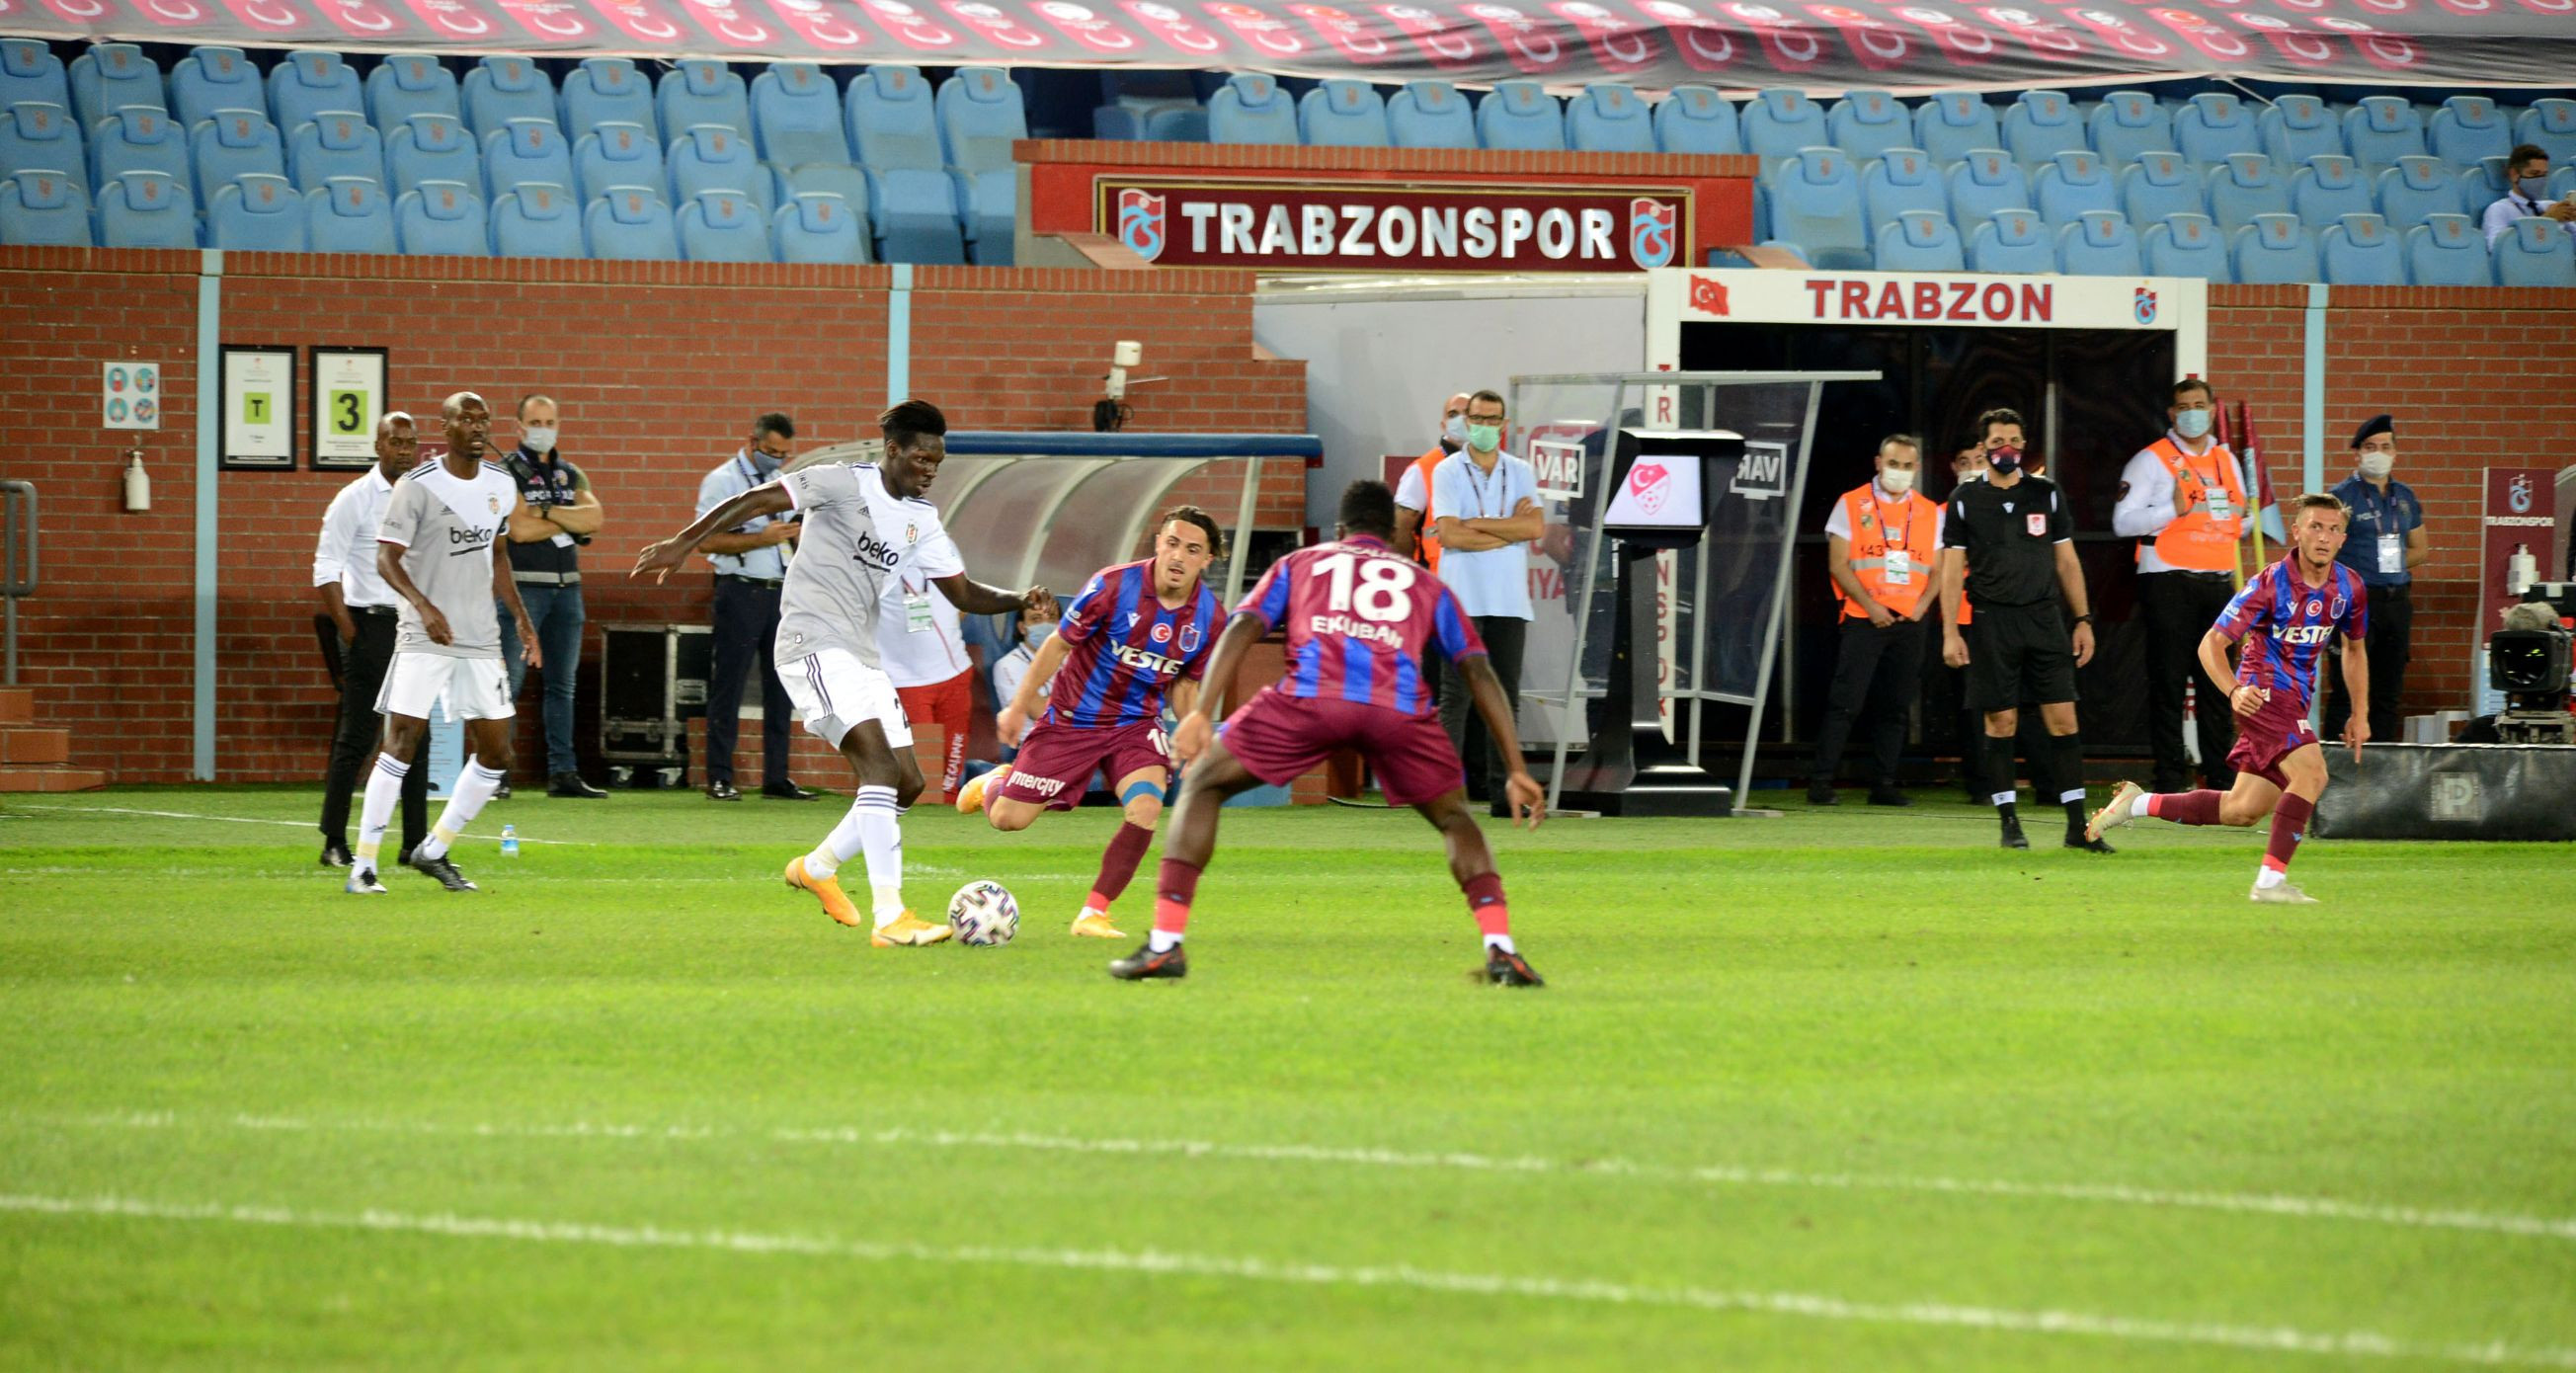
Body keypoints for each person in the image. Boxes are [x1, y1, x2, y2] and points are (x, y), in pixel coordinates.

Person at [635, 400, 1051, 947]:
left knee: (908, 782)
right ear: (893, 450)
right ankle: (890, 916)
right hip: (810, 643)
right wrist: (683, 543)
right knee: (877, 767)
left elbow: (964, 593)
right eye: (921, 458)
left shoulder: (922, 520)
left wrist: (1020, 598)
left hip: (863, 655)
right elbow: (754, 500)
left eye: (937, 462)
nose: (930, 469)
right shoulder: (841, 483)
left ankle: (817, 867)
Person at [1107, 480, 1546, 986]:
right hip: (1396, 710)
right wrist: (1515, 768)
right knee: (1454, 818)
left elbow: (1243, 627)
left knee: (1203, 783)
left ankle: (1166, 944)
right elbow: (1479, 671)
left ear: (1340, 529)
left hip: (1312, 699)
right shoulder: (1428, 585)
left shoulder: (1301, 563)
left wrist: (1201, 712)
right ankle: (1501, 949)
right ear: (1394, 534)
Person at [954, 507, 1223, 939]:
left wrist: (1191, 731)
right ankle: (994, 784)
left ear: (1206, 560)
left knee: (1146, 808)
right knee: (1008, 819)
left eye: (1192, 550)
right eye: (1172, 543)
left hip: (1136, 723)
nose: (1178, 556)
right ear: (1158, 543)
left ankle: (1093, 913)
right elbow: (1057, 645)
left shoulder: (1210, 617)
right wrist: (1019, 706)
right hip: (1073, 719)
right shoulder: (1113, 585)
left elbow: (1185, 684)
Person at [2090, 494, 2369, 903]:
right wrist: (2234, 690)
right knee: (2312, 774)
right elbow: (2211, 644)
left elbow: (2355, 650)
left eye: (2333, 529)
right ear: (2297, 532)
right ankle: (2270, 883)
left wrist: (2359, 713)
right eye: (2315, 527)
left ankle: (2137, 803)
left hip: (2296, 699)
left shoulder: (2350, 587)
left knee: (2242, 809)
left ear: (2343, 538)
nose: (2324, 537)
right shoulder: (2269, 584)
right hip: (2261, 694)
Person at [347, 392, 538, 895]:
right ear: (446, 427)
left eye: (483, 419)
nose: (477, 427)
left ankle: (432, 850)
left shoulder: (500, 484)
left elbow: (498, 555)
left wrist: (522, 619)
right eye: (466, 419)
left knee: (498, 752)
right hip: (423, 636)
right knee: (400, 742)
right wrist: (424, 606)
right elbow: (386, 559)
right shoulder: (418, 485)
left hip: (479, 638)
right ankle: (363, 867)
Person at [1939, 407, 2111, 852]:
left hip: (2044, 619)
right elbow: (1952, 570)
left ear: (2023, 444)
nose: (2007, 449)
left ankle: (2078, 828)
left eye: (2014, 441)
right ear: (1984, 447)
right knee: (2001, 721)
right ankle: (2009, 823)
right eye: (1998, 442)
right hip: (1992, 621)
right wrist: (1950, 631)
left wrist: (2083, 620)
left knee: (2063, 719)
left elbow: (2067, 562)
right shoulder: (1964, 498)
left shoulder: (2045, 493)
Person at [2113, 378, 2248, 794]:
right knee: (2169, 684)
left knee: (2218, 683)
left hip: (2219, 584)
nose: (2192, 413)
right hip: (2169, 582)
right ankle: (2171, 777)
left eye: (2199, 405)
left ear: (2212, 410)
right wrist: (2170, 510)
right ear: (2172, 414)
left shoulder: (2227, 460)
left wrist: (2235, 523)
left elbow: (2241, 517)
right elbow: (2122, 523)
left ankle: (2219, 775)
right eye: (2183, 406)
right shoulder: (2150, 461)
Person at [312, 412, 430, 869]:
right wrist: (350, 632)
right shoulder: (354, 498)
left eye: (410, 442)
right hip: (370, 625)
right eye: (395, 442)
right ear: (378, 446)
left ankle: (414, 844)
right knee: (358, 737)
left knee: (417, 735)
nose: (404, 450)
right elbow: (326, 568)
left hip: (412, 626)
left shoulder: (422, 497)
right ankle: (334, 841)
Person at [1809, 434, 1941, 806]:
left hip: (1910, 622)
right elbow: (1838, 564)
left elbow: (1939, 569)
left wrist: (1921, 607)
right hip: (1863, 618)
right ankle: (1821, 783)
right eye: (1893, 463)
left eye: (1907, 465)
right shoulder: (1851, 503)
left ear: (1917, 468)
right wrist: (1870, 606)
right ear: (1878, 463)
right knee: (1845, 702)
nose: (1900, 471)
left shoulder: (1931, 511)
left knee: (1895, 707)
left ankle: (1883, 785)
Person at [1431, 388, 1543, 815]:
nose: (1483, 426)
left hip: (1509, 601)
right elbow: (1449, 534)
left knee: (1505, 698)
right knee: (1456, 696)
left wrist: (1477, 524)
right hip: (1461, 598)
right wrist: (1507, 529)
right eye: (1477, 419)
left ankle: (1504, 794)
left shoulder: (1520, 470)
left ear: (1504, 425)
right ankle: (1443, 795)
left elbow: (1534, 529)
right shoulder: (1447, 471)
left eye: (1492, 419)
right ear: (1467, 422)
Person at [694, 413, 813, 803]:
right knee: (729, 685)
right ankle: (719, 776)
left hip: (781, 593)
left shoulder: (779, 481)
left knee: (782, 687)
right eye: (771, 451)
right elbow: (706, 541)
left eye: (783, 454)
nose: (776, 459)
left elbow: (788, 535)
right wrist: (762, 538)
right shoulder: (723, 481)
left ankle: (776, 777)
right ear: (752, 442)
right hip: (741, 591)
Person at [494, 392, 604, 800]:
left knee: (563, 686)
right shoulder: (505, 472)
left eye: (549, 422)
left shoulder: (571, 474)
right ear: (519, 427)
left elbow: (595, 518)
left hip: (567, 589)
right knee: (508, 682)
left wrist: (542, 512)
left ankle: (563, 773)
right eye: (535, 423)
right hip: (522, 588)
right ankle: (495, 772)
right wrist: (567, 518)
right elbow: (519, 530)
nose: (543, 430)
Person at [2324, 414, 2424, 747]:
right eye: (2370, 447)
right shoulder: (2341, 497)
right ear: (2357, 454)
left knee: (2388, 691)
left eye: (2385, 446)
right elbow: (2323, 551)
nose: (2377, 453)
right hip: (2356, 601)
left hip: (2396, 601)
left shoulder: (2405, 497)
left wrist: (2387, 565)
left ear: (2395, 453)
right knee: (2346, 690)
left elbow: (2421, 548)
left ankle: (2380, 766)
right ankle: (2337, 766)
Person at [875, 541, 977, 803]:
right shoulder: (872, 549)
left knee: (951, 760)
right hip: (905, 678)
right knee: (921, 765)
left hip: (954, 671)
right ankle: (917, 814)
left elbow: (963, 599)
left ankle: (949, 811)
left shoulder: (943, 543)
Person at [1392, 390, 1470, 563]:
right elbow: (1400, 529)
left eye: (1467, 413)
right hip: (1435, 573)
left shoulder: (1490, 466)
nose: (1461, 419)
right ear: (1443, 425)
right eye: (1453, 414)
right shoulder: (1422, 469)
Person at [986, 601, 1056, 753]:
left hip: (1076, 741)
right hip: (1036, 748)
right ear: (1022, 627)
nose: (1046, 625)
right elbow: (1042, 713)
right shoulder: (1008, 665)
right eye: (1036, 619)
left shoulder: (1071, 659)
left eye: (1051, 618)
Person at [2481, 144, 2576, 247]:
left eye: (2544, 175)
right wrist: (2547, 220)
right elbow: (2497, 248)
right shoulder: (2499, 209)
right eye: (2534, 174)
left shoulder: (2552, 206)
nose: (2541, 180)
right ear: (2514, 175)